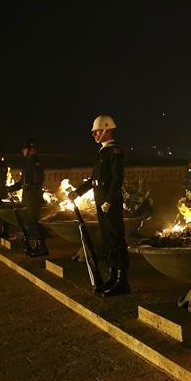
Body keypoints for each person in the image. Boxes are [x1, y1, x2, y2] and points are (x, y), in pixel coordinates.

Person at [69, 115, 130, 296]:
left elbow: (117, 179)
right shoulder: (103, 152)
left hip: (108, 204)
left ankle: (122, 281)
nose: (94, 135)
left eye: (96, 131)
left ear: (106, 129)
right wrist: (78, 191)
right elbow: (95, 180)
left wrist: (109, 201)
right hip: (101, 203)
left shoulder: (114, 151)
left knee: (116, 240)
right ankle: (112, 276)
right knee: (108, 240)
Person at [8, 138, 49, 257]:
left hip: (32, 197)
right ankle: (37, 245)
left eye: (25, 149)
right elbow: (23, 181)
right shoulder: (28, 162)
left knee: (34, 222)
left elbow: (37, 181)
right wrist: (11, 188)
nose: (23, 151)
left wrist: (31, 194)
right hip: (28, 197)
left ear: (30, 150)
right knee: (31, 222)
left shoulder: (35, 162)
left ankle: (42, 247)